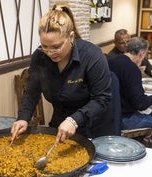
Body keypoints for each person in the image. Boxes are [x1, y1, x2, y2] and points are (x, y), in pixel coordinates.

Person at [11, 3, 114, 145]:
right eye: (44, 46)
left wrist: (74, 120)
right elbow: (31, 92)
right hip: (59, 125)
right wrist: (23, 117)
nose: (49, 52)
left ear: (71, 37)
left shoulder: (92, 56)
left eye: (56, 46)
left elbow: (102, 99)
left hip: (93, 128)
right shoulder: (40, 57)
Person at [108, 37, 152, 144]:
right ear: (141, 53)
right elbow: (140, 104)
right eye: (144, 55)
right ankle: (146, 149)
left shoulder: (111, 61)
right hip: (123, 119)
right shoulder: (132, 68)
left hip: (108, 116)